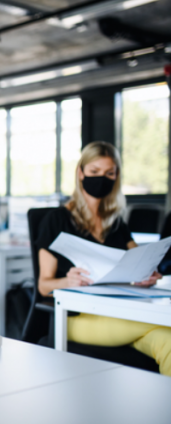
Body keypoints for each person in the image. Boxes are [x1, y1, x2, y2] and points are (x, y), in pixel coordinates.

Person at [37, 141, 171, 376]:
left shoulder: (117, 223)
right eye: (94, 172)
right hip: (77, 318)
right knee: (158, 324)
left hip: (118, 311)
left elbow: (139, 259)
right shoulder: (56, 220)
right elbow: (43, 286)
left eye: (109, 173)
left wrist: (145, 273)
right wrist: (67, 282)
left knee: (168, 342)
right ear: (81, 173)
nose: (102, 178)